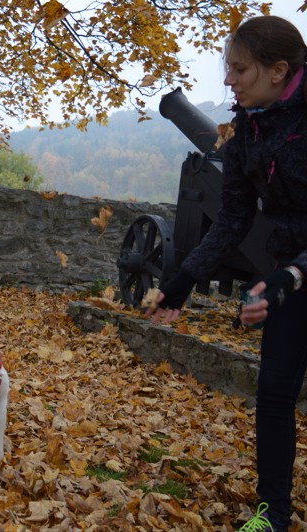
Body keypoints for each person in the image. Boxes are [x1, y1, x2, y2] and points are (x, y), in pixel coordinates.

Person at [147, 15, 307, 532]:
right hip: (286, 277)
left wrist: (293, 276)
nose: (228, 80)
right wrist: (185, 278)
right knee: (276, 391)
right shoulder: (245, 127)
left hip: (292, 276)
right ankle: (273, 515)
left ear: (279, 70)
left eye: (239, 69)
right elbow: (235, 215)